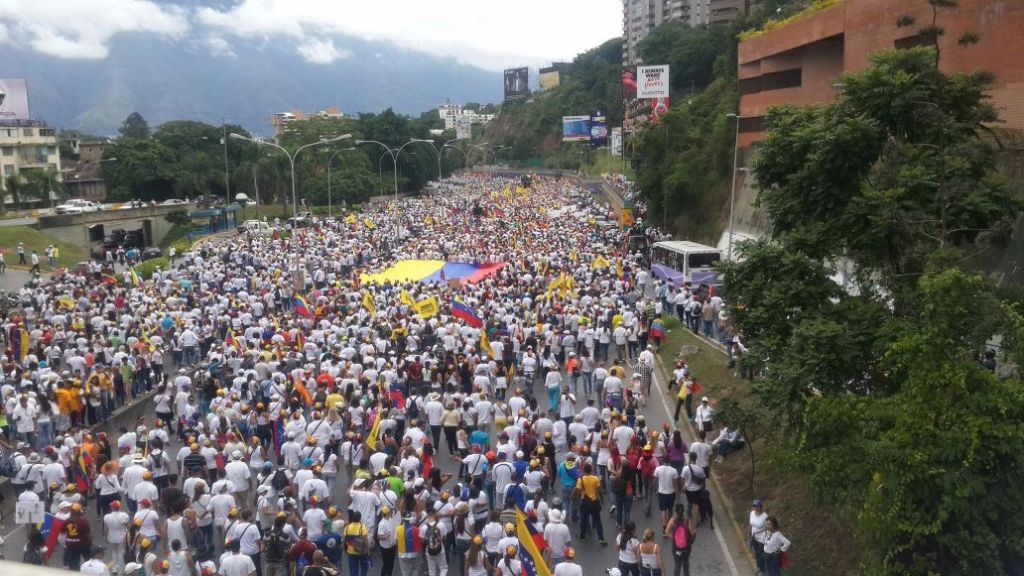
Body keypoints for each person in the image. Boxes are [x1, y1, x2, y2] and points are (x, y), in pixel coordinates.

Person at [664, 504, 696, 576]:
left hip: (676, 547)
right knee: (686, 564)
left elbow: (666, 532)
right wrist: (695, 533)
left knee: (677, 565)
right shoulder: (687, 520)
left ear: (675, 511)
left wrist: (674, 538)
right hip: (686, 547)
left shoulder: (673, 520)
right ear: (683, 510)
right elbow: (692, 532)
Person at [343, 510, 370, 576]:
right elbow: (365, 540)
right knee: (364, 567)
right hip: (362, 552)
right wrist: (368, 550)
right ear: (360, 518)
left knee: (353, 569)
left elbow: (345, 538)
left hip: (351, 552)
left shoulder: (347, 527)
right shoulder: (362, 527)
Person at [749, 499, 768, 574]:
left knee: (760, 554)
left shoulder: (765, 516)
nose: (756, 507)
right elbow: (750, 524)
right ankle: (759, 567)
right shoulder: (752, 513)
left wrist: (757, 532)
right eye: (754, 506)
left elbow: (767, 527)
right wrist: (750, 533)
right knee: (756, 553)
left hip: (762, 538)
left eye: (757, 506)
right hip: (754, 537)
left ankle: (763, 570)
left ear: (761, 507)